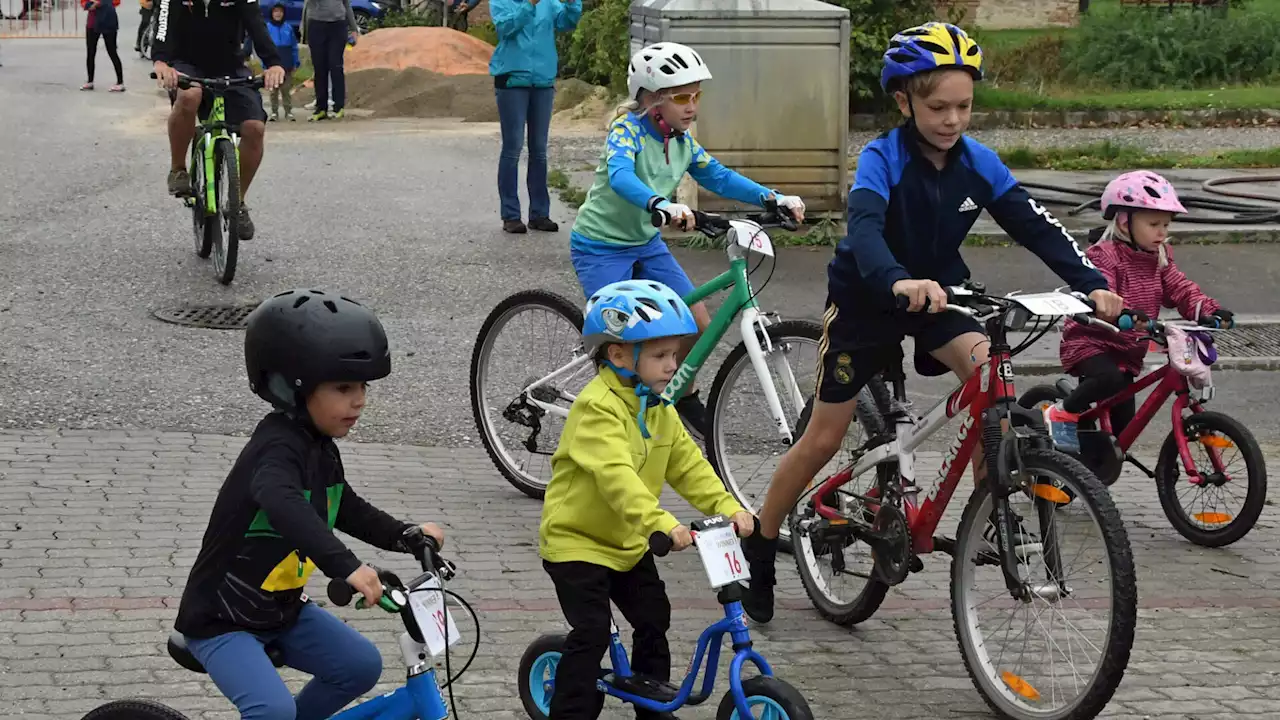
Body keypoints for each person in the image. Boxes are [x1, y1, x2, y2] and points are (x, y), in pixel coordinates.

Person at [736, 21, 1125, 624]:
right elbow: (862, 230)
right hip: (869, 301)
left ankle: (992, 509)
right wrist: (894, 278)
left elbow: (1037, 226)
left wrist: (1094, 284)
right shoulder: (881, 158)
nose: (952, 119)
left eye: (964, 106)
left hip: (942, 296)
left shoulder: (979, 163)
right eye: (937, 106)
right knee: (825, 436)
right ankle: (760, 539)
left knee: (991, 375)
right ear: (904, 101)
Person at [174, 288, 447, 720]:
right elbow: (282, 503)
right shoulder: (275, 449)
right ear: (292, 387)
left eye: (362, 386)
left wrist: (404, 534)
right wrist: (346, 565)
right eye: (343, 387)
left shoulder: (319, 446)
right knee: (272, 711)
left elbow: (346, 506)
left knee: (360, 666)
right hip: (222, 619)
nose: (358, 400)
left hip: (279, 612)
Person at [539, 279, 756, 720]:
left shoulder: (657, 407)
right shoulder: (596, 409)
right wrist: (662, 523)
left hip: (627, 544)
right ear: (619, 355)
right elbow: (617, 479)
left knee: (654, 616)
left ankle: (652, 706)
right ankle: (570, 713)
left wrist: (727, 506)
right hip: (577, 544)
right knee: (592, 631)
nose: (672, 365)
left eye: (674, 355)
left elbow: (688, 466)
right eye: (660, 356)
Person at [570, 41, 807, 439]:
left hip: (646, 243)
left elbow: (717, 175)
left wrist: (772, 196)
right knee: (625, 339)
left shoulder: (681, 141)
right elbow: (620, 176)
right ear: (651, 98)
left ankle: (682, 395)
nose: (692, 105)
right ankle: (612, 421)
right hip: (600, 245)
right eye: (682, 96)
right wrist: (659, 202)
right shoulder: (626, 130)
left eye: (697, 96)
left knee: (695, 322)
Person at [1046, 170, 1234, 450]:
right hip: (1092, 341)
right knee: (1107, 378)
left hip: (1128, 349)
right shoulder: (1104, 256)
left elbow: (1181, 289)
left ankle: (1088, 474)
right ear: (1124, 222)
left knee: (1122, 435)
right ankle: (1060, 413)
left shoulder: (1159, 259)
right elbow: (1103, 293)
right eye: (1154, 224)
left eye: (1166, 225)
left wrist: (1210, 311)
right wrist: (1127, 314)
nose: (1162, 232)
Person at [151, 0, 285, 242]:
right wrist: (161, 61)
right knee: (190, 95)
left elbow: (256, 24)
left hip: (230, 67)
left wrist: (274, 63)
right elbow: (163, 25)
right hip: (186, 64)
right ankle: (179, 170)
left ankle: (238, 202)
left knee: (254, 128)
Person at [488, 0, 582, 234]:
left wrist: (573, 5)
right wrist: (529, 4)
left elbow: (566, 22)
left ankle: (539, 214)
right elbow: (504, 28)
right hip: (512, 80)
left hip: (543, 80)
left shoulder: (548, 2)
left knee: (539, 149)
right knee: (513, 146)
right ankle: (510, 215)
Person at [302, 0, 358, 121]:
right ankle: (321, 108)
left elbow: (346, 4)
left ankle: (339, 107)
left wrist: (353, 28)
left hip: (338, 25)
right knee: (319, 67)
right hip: (316, 24)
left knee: (335, 64)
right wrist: (304, 32)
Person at [265, 2, 300, 121]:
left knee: (286, 89)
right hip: (273, 64)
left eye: (280, 11)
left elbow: (294, 46)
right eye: (275, 11)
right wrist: (265, 65)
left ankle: (288, 111)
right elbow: (263, 48)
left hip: (287, 63)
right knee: (273, 90)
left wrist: (296, 62)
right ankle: (274, 112)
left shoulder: (288, 28)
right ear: (271, 13)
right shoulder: (267, 28)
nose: (278, 14)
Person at [81, 0, 124, 92]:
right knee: (90, 52)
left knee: (112, 51)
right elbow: (84, 3)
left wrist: (100, 3)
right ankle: (90, 81)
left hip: (107, 20)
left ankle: (120, 82)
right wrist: (89, 5)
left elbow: (116, 1)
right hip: (92, 23)